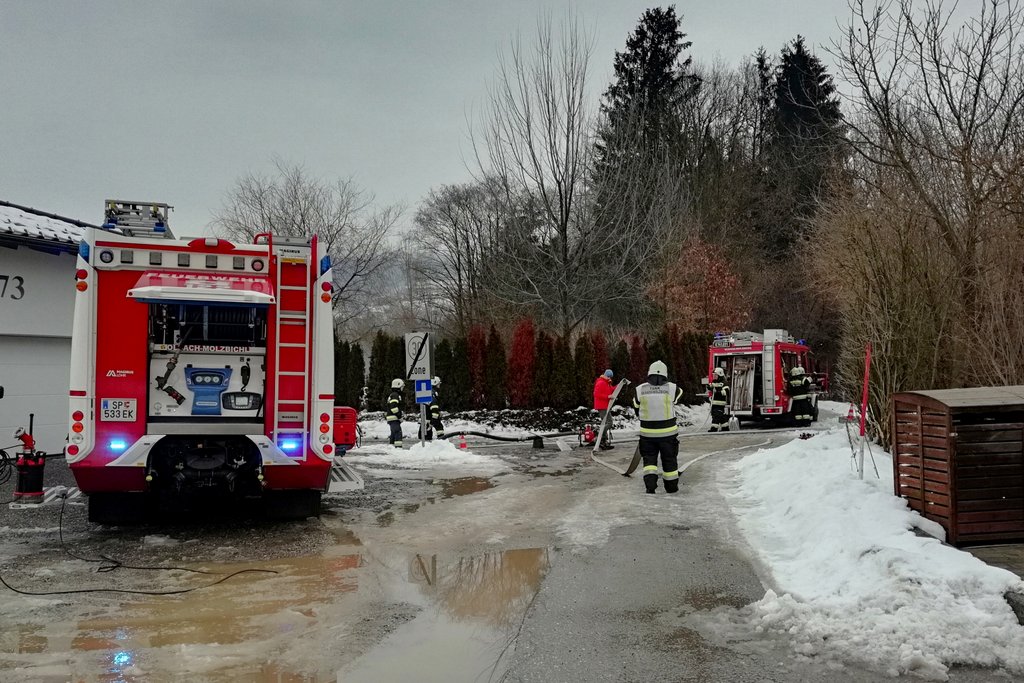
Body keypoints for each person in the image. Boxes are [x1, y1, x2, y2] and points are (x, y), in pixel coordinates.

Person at [632, 361, 684, 494]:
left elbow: (636, 407)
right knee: (669, 461)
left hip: (647, 435)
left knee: (649, 462)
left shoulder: (640, 389)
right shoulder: (673, 388)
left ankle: (650, 487)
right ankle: (671, 488)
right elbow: (679, 396)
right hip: (668, 435)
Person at [592, 369, 615, 449]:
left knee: (605, 423)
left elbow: (612, 390)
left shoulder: (607, 383)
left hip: (605, 406)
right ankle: (600, 437)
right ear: (606, 376)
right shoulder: (601, 382)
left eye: (610, 377)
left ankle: (603, 442)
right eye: (609, 377)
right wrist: (607, 396)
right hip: (602, 406)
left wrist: (620, 385)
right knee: (609, 422)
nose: (610, 378)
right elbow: (596, 394)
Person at [708, 367, 730, 432]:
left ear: (720, 375)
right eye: (713, 375)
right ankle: (725, 427)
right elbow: (711, 386)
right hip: (714, 403)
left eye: (715, 375)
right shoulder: (714, 382)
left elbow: (726, 392)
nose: (714, 376)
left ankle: (714, 428)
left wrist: (717, 392)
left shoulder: (724, 383)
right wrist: (709, 387)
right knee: (720, 415)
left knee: (716, 415)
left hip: (720, 403)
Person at [387, 378, 404, 448]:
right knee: (398, 433)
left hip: (392, 418)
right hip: (394, 418)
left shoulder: (393, 395)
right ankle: (398, 448)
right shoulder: (395, 395)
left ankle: (392, 447)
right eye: (402, 386)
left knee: (393, 434)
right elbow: (394, 408)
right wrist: (399, 416)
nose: (403, 388)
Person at [426, 376, 445, 440]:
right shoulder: (432, 393)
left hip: (427, 417)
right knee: (439, 428)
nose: (439, 385)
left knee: (426, 435)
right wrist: (434, 419)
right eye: (438, 384)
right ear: (435, 383)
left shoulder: (428, 392)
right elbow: (434, 407)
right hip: (431, 417)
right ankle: (441, 441)